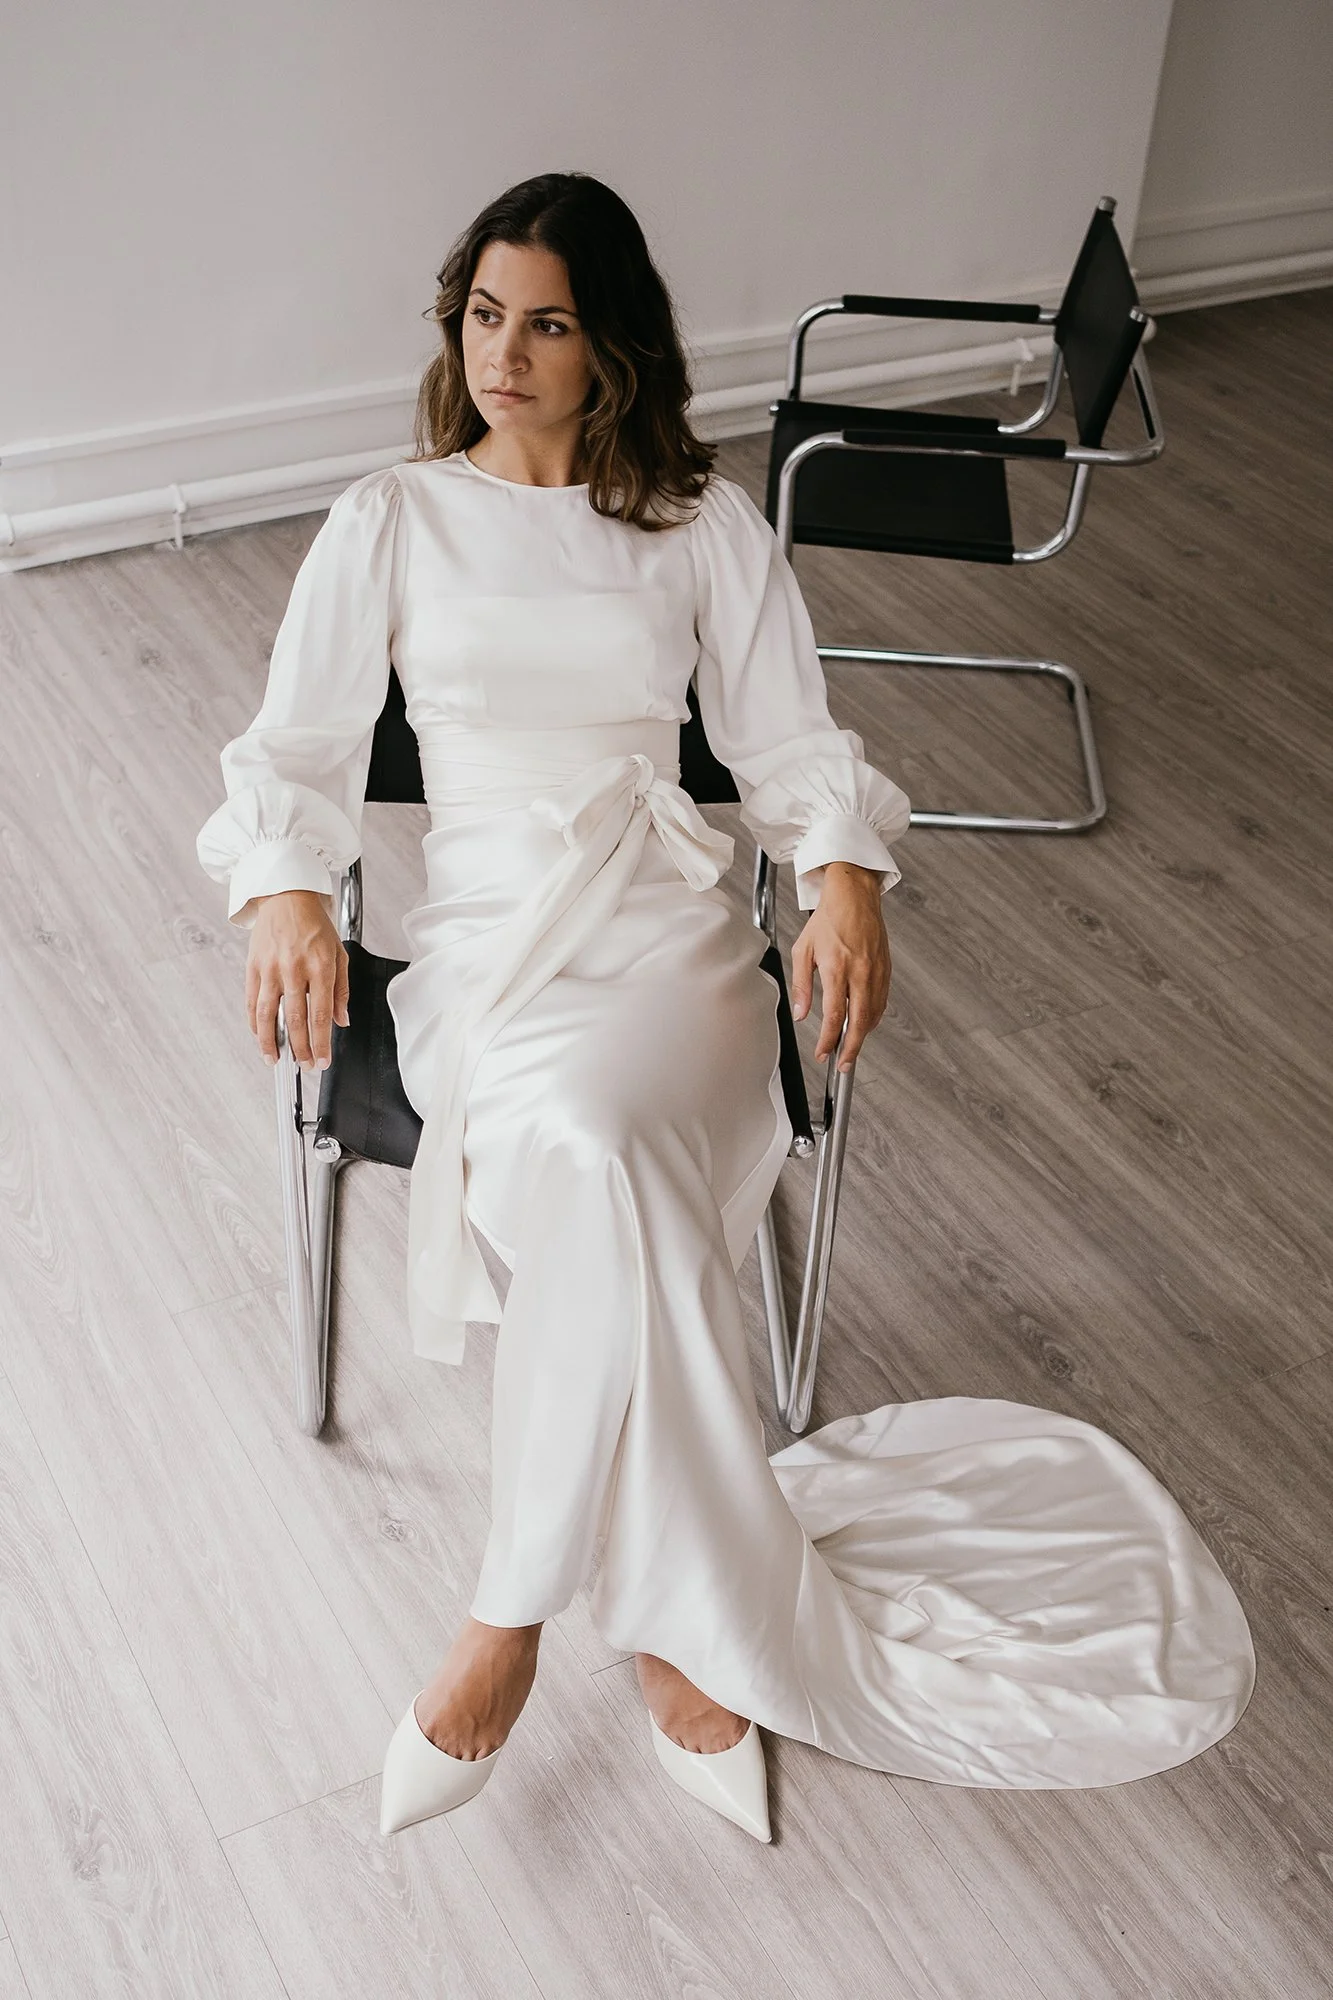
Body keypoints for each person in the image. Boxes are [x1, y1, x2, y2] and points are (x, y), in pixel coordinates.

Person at [197, 172, 1255, 1844]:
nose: (507, 353)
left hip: (670, 934)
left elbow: (789, 748)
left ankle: (508, 1624)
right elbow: (292, 756)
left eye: (546, 321)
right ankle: (672, 1630)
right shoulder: (390, 518)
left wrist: (841, 876)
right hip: (487, 948)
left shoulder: (700, 522)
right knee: (609, 1162)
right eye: (484, 316)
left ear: (610, 339)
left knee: (611, 1141)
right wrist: (282, 890)